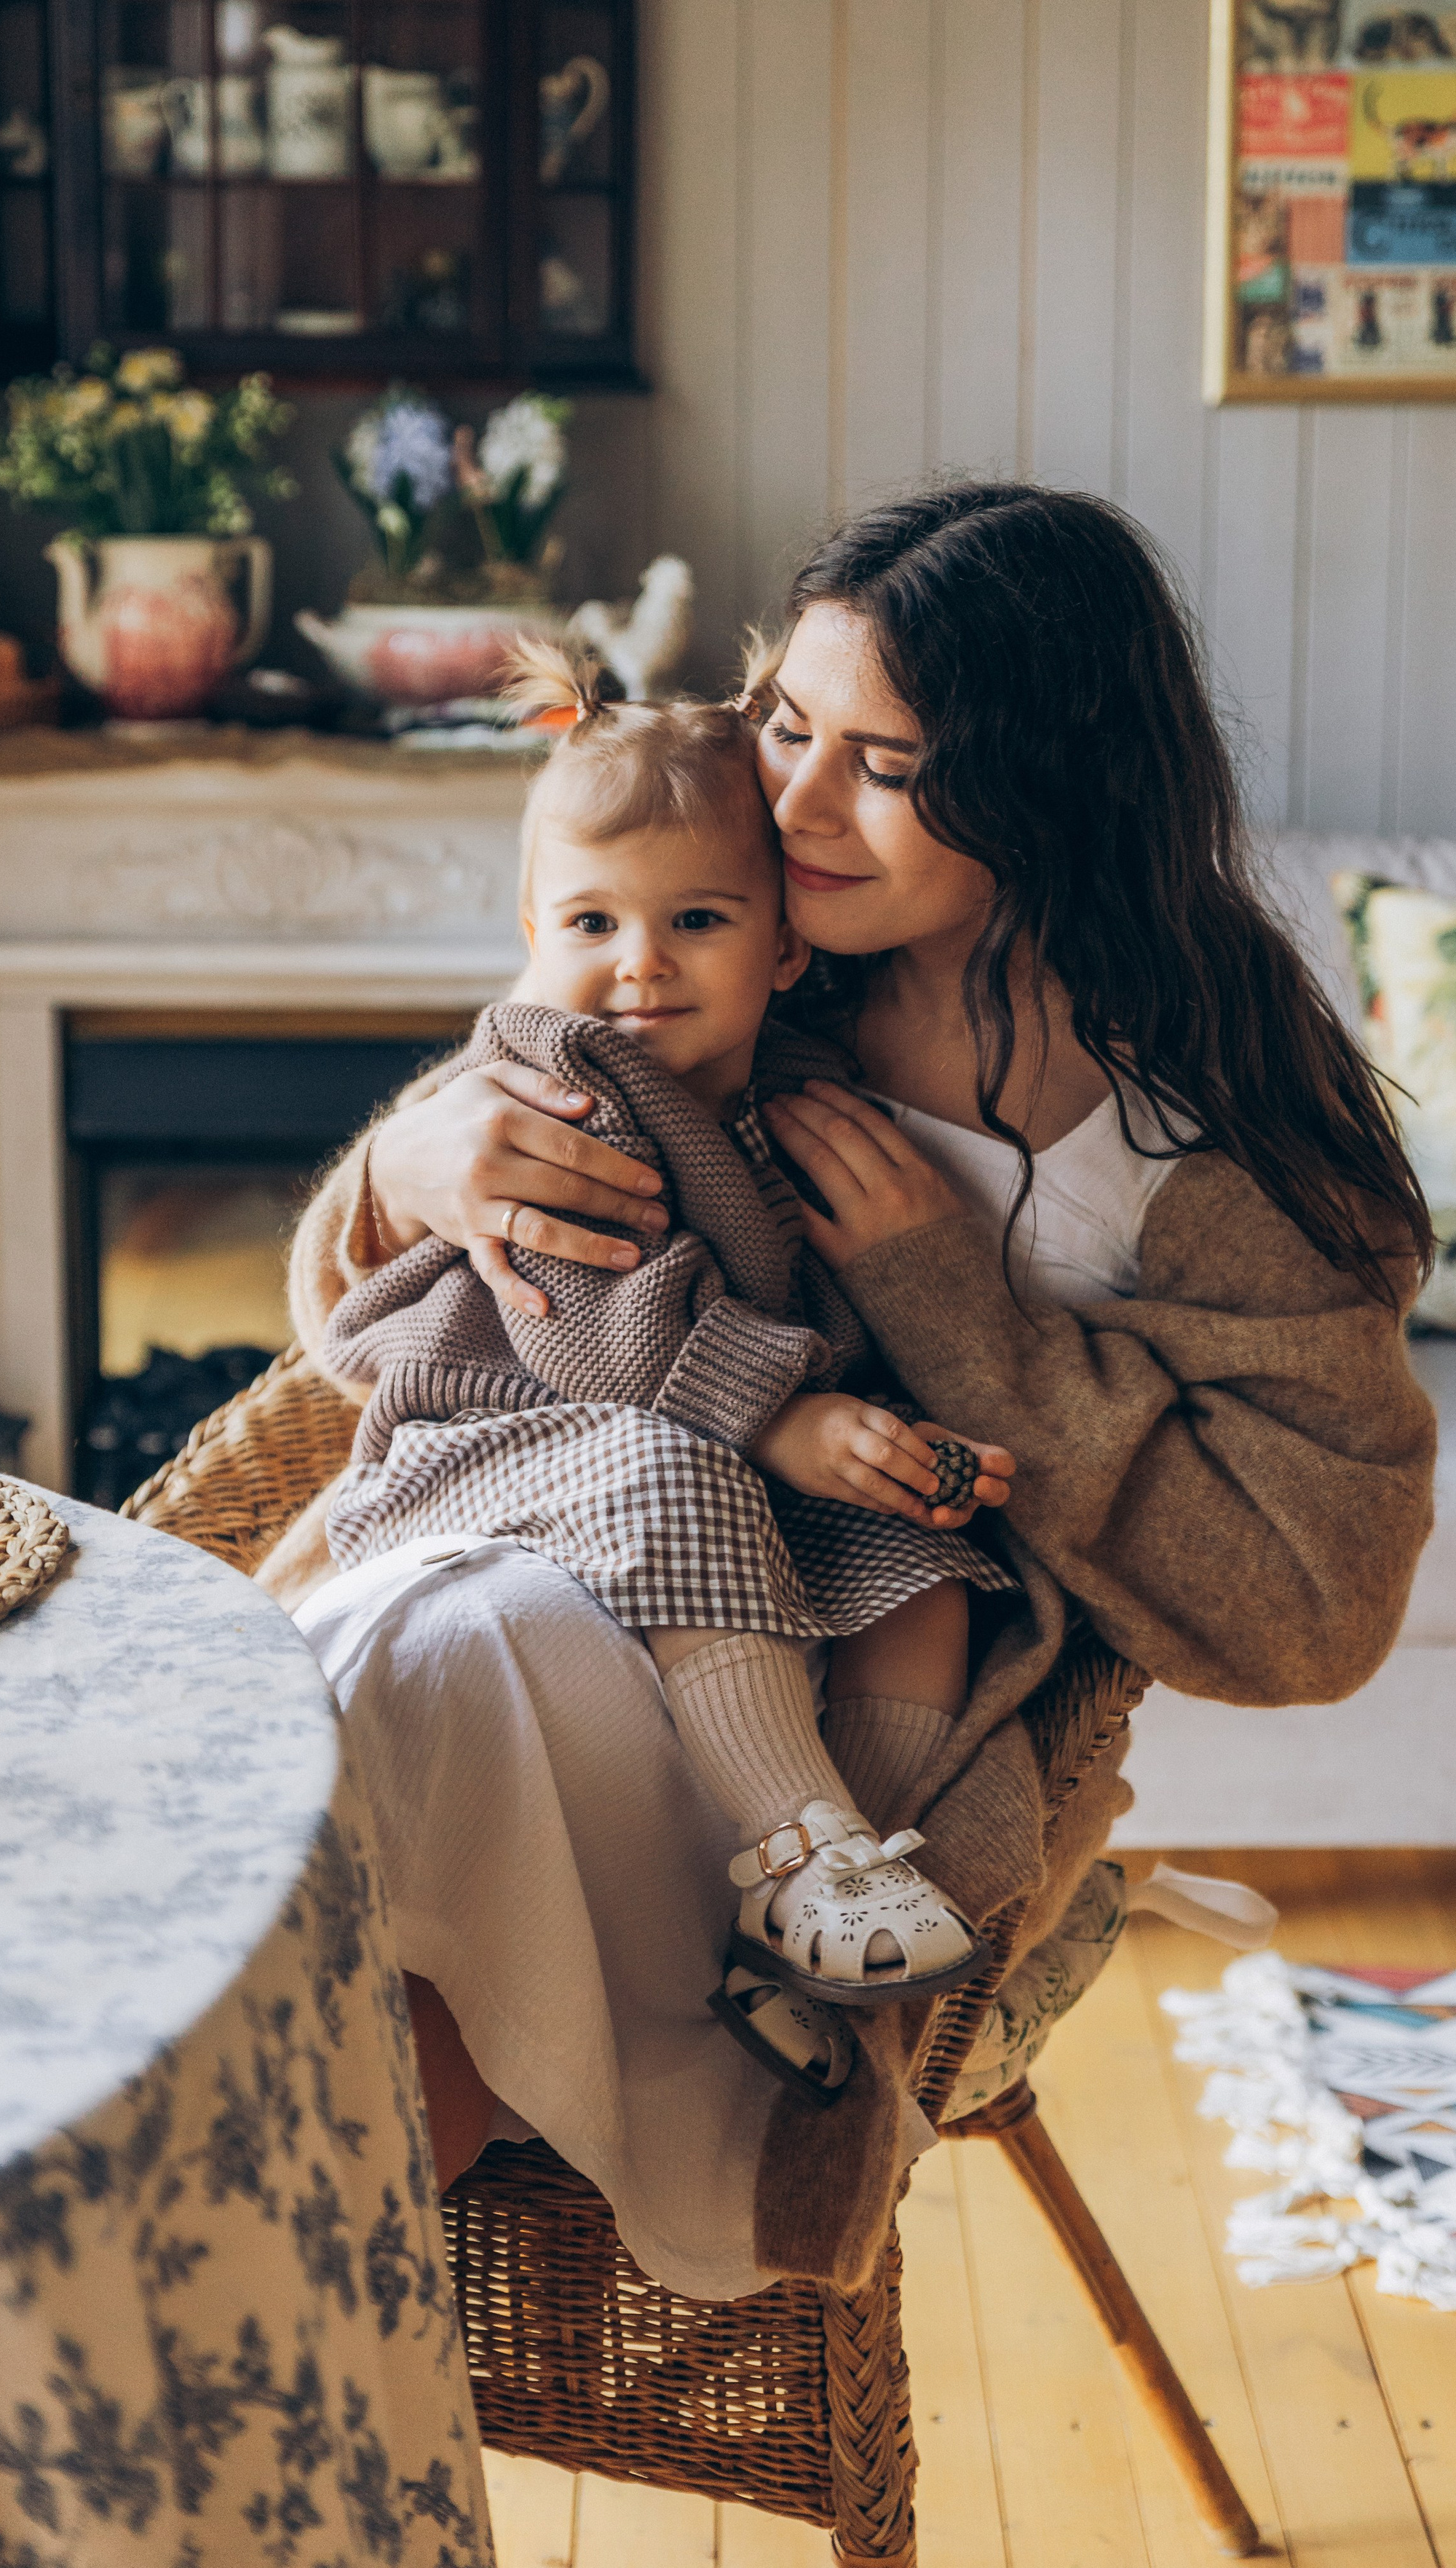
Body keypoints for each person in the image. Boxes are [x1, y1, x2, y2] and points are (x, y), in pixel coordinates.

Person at [275, 483, 1438, 2303]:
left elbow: (1309, 1612)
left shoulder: (1191, 1130)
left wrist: (952, 1307)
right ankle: (262, 2347)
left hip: (829, 1705)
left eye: (880, 764)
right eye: (786, 726)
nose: (796, 800)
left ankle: (252, 2313)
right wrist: (414, 1164)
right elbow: (394, 1304)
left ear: (1047, 789)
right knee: (443, 1683)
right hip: (565, 1554)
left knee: (438, 1713)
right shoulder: (729, 958)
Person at [314, 640, 1024, 2099]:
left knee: (926, 1569)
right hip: (491, 1434)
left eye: (694, 919)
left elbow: (791, 1294)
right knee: (675, 1463)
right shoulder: (554, 1082)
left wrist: (881, 1441)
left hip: (685, 1429)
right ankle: (790, 1846)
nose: (637, 962)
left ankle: (831, 1914)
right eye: (590, 919)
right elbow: (591, 1316)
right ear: (528, 927)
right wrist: (786, 1415)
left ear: (782, 948)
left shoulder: (766, 1094)